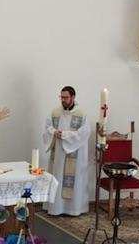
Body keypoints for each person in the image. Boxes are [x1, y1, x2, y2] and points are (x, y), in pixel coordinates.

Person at [43, 86, 91, 216]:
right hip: (58, 154)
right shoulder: (55, 112)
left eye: (66, 97)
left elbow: (84, 133)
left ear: (73, 97)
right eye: (61, 97)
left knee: (75, 182)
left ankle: (73, 209)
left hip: (75, 155)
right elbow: (48, 127)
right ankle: (56, 208)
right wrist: (54, 132)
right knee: (57, 178)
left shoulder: (82, 114)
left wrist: (64, 135)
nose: (63, 100)